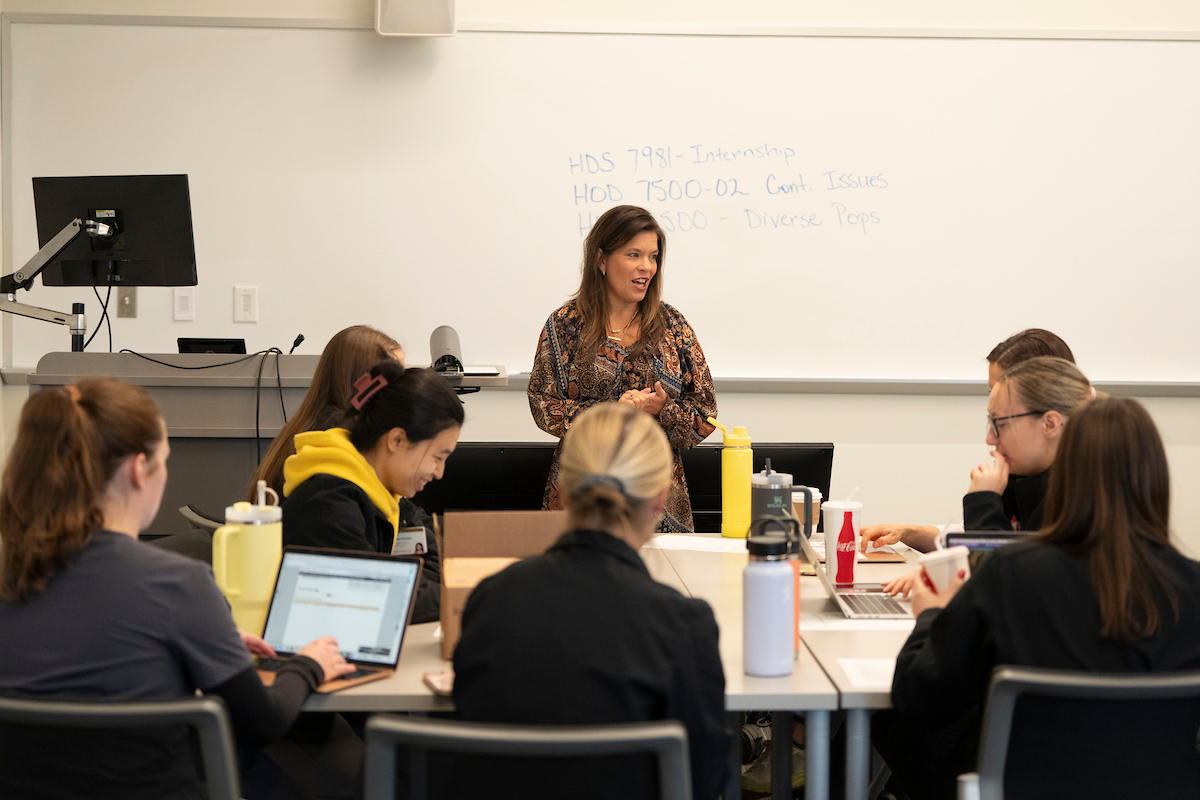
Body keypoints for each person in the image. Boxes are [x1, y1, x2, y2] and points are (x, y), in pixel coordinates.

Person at [0, 379, 355, 800]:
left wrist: (205, 640)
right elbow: (264, 722)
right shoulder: (178, 585)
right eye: (164, 460)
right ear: (137, 469)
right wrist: (308, 664)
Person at [877, 398, 1200, 800]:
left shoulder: (1012, 572)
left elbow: (919, 695)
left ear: (1066, 474)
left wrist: (932, 615)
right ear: (1158, 478)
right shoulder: (1192, 586)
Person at [451, 402, 729, 800]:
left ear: (562, 492)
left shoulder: (491, 598)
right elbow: (703, 780)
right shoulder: (682, 623)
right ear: (661, 499)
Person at [528, 204, 717, 533]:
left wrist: (663, 410)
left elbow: (706, 413)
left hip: (658, 498)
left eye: (653, 256)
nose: (647, 267)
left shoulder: (673, 325)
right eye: (634, 255)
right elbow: (541, 405)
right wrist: (610, 412)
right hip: (582, 492)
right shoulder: (564, 325)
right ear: (601, 259)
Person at [860, 335, 1081, 556]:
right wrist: (910, 532)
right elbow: (992, 541)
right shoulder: (1024, 472)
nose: (990, 439)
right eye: (992, 390)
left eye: (1003, 388)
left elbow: (1001, 574)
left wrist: (983, 502)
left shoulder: (1077, 497)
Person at [281, 361, 463, 624]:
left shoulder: (383, 493)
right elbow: (373, 601)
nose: (439, 472)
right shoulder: (327, 503)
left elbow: (428, 564)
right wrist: (471, 595)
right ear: (397, 440)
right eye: (437, 457)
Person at [247, 325, 403, 500]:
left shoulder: (307, 425)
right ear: (367, 384)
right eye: (396, 381)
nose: (404, 391)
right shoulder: (341, 440)